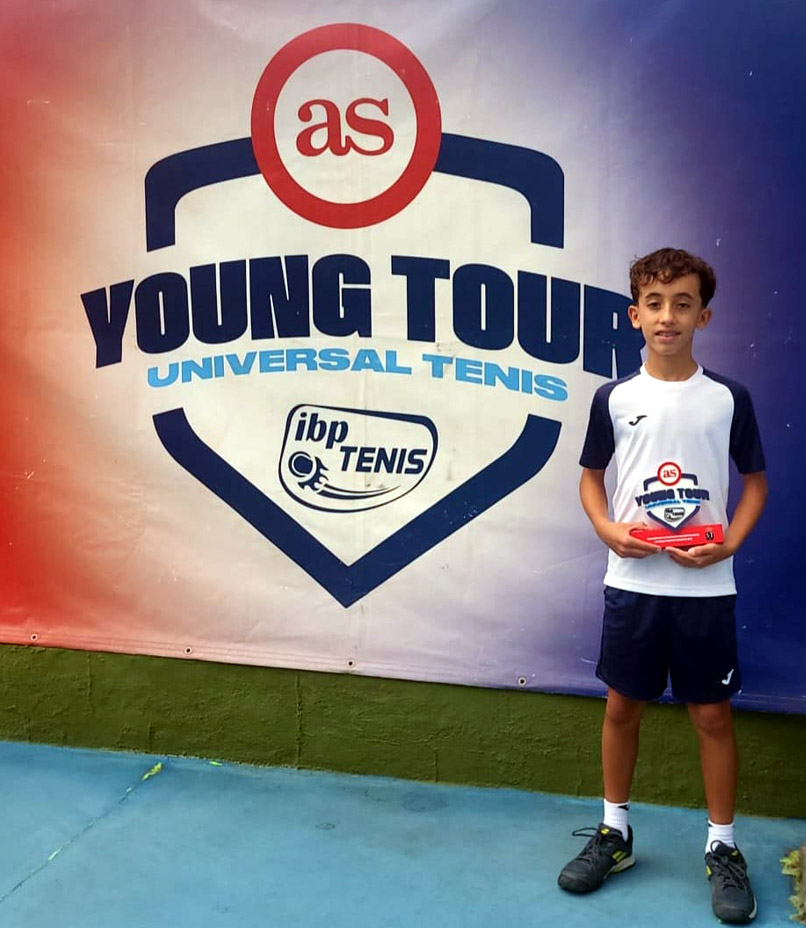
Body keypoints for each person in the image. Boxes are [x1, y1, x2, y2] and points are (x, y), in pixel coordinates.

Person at [557, 248, 767, 924]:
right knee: (622, 707)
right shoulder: (613, 398)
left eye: (682, 303)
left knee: (711, 715)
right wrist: (605, 527)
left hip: (707, 589)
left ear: (703, 314)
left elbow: (755, 483)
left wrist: (729, 541)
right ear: (634, 315)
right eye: (655, 302)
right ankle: (615, 832)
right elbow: (591, 476)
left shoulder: (728, 398)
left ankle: (723, 846)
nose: (667, 315)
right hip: (633, 583)